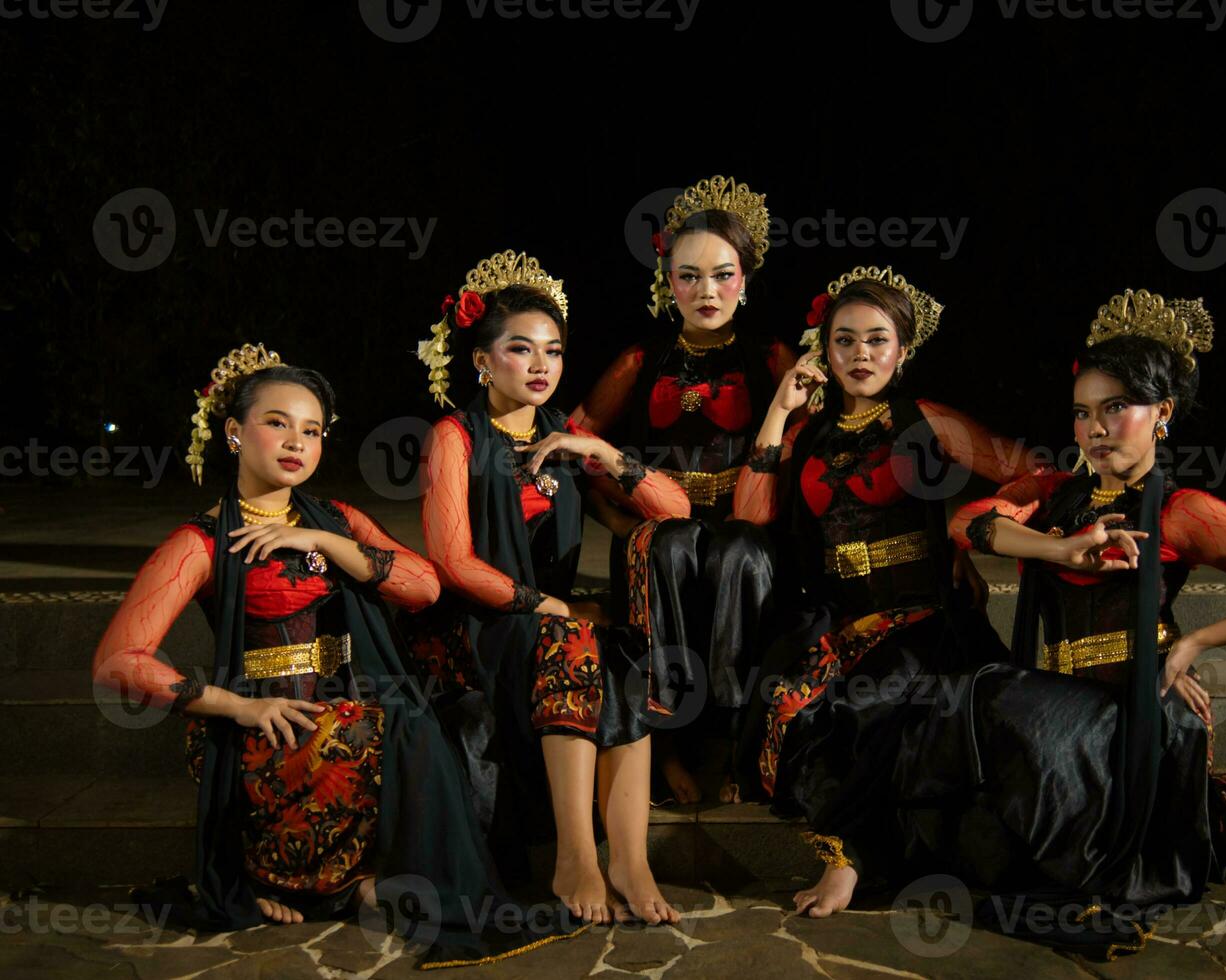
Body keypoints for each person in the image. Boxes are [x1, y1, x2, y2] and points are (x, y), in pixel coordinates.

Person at [93, 344, 577, 967]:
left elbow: (424, 585)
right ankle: (305, 875)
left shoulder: (337, 519)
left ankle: (371, 877)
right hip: (271, 727)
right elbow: (118, 662)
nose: (297, 442)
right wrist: (234, 706)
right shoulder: (201, 541)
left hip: (346, 701)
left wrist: (321, 538)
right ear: (234, 433)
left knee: (457, 713)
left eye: (312, 430)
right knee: (386, 724)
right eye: (277, 423)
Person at [941, 289, 1226, 957]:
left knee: (1004, 702)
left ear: (1163, 415)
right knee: (981, 696)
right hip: (1058, 694)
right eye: (1082, 413)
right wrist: (1060, 547)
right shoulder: (1046, 493)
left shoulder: (1185, 511)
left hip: (1137, 699)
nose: (1095, 428)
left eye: (1116, 409)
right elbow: (966, 524)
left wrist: (1192, 644)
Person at [731, 265, 1030, 921]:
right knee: (785, 707)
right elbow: (750, 516)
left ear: (902, 349)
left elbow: (1028, 472)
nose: (860, 355)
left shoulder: (926, 421)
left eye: (876, 340)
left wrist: (969, 532)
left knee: (877, 701)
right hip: (842, 617)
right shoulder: (809, 430)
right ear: (824, 349)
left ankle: (849, 858)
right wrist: (780, 412)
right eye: (844, 341)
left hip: (923, 617)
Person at [412, 250, 690, 926]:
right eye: (520, 349)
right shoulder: (453, 438)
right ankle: (574, 855)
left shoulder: (563, 440)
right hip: (484, 625)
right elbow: (452, 562)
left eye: (554, 351)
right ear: (482, 361)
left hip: (555, 623)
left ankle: (629, 857)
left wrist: (600, 454)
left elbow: (676, 513)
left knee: (621, 647)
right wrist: (546, 604)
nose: (542, 365)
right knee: (578, 642)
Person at [572, 175, 797, 804]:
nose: (706, 291)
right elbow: (578, 444)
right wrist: (613, 519)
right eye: (689, 276)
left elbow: (804, 454)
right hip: (660, 520)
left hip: (745, 521)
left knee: (739, 553)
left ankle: (731, 744)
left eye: (723, 274)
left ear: (746, 280)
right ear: (667, 281)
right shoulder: (641, 361)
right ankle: (663, 744)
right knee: (664, 546)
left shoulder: (770, 355)